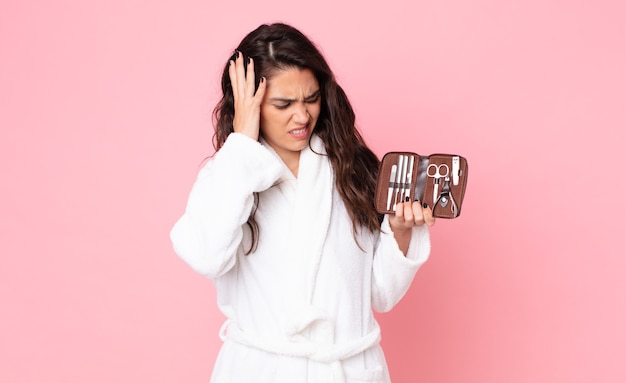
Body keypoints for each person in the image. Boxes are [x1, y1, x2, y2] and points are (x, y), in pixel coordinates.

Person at [170, 22, 435, 383]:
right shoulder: (227, 179)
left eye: (311, 98)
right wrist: (242, 146)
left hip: (349, 369)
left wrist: (400, 231)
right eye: (284, 104)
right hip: (263, 371)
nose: (302, 116)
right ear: (250, 105)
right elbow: (205, 254)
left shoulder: (350, 169)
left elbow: (380, 295)